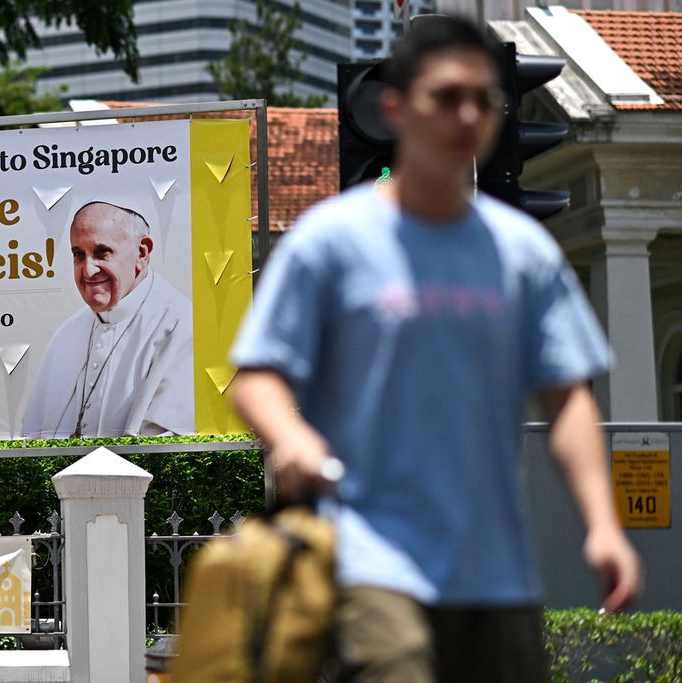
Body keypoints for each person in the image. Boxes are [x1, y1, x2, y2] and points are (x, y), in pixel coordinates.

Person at [229, 15, 641, 683]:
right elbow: (258, 376)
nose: (468, 115)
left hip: (496, 573)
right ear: (394, 107)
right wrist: (292, 438)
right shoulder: (330, 241)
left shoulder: (523, 252)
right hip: (369, 559)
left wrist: (601, 523)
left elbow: (567, 400)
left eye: (484, 100)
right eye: (447, 97)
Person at [21, 201, 193, 438]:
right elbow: (33, 438)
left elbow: (173, 450)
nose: (88, 270)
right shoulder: (67, 333)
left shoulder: (181, 325)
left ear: (142, 252)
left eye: (102, 253)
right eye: (79, 255)